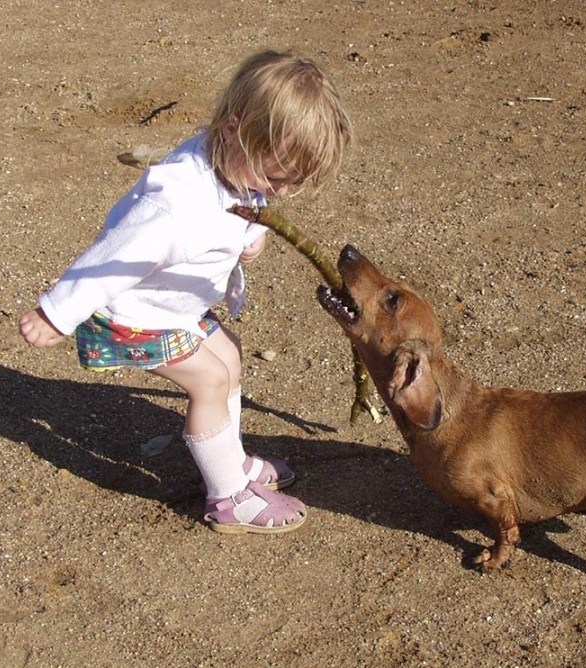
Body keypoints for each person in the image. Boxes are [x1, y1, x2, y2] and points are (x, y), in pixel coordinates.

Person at [19, 50, 353, 535]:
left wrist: (249, 234)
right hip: (132, 315)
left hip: (173, 305)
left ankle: (231, 462)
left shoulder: (233, 160)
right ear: (235, 128)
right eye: (276, 177)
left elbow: (246, 201)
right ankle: (228, 498)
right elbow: (110, 258)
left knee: (229, 354)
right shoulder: (174, 207)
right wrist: (56, 313)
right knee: (210, 381)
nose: (279, 193)